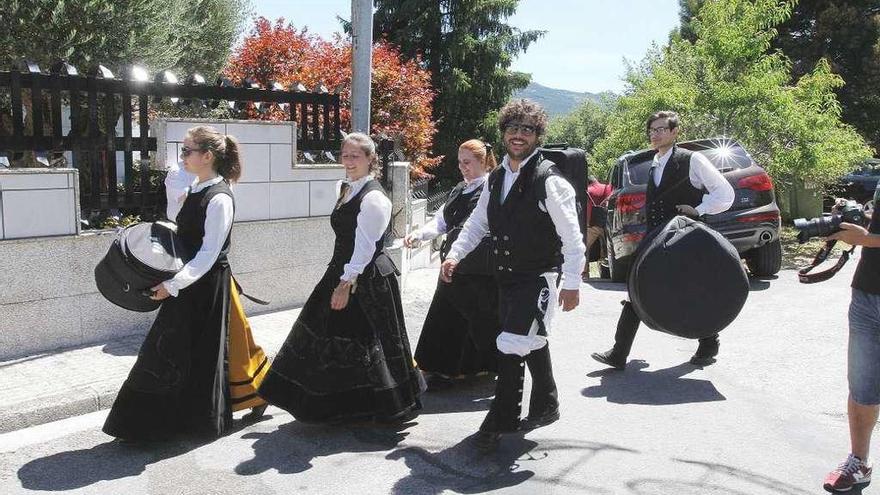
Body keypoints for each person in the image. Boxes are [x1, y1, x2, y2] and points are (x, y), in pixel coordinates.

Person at [103, 125, 270, 442]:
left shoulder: (220, 198)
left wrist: (173, 285)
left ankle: (175, 422)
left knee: (196, 350)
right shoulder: (196, 188)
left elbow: (208, 253)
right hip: (189, 280)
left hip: (204, 284)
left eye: (187, 151)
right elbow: (179, 225)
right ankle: (150, 423)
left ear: (207, 156)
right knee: (175, 346)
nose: (182, 156)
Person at [440, 99, 586, 451]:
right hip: (505, 278)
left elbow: (572, 238)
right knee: (528, 339)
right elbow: (478, 223)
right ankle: (546, 402)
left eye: (527, 129)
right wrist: (455, 255)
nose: (518, 135)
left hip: (538, 278)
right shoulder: (496, 178)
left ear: (537, 135)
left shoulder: (550, 182)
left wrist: (572, 284)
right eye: (513, 128)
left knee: (510, 345)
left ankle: (499, 420)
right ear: (503, 132)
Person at [257, 132, 422, 424]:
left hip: (364, 278)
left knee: (367, 340)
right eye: (345, 155)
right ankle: (326, 402)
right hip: (341, 270)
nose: (348, 161)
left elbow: (365, 247)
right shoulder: (345, 188)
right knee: (325, 334)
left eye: (355, 156)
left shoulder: (373, 199)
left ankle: (376, 405)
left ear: (371, 159)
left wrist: (345, 284)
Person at [591, 110, 735, 370]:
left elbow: (725, 193)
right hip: (657, 237)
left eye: (660, 129)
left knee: (694, 289)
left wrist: (699, 209)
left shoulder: (693, 160)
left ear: (674, 132)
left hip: (687, 237)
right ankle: (619, 352)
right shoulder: (654, 162)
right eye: (652, 130)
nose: (654, 134)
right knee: (638, 287)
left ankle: (709, 342)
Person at [405, 139, 500, 390]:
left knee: (474, 319)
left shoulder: (491, 189)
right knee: (446, 315)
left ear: (483, 162)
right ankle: (441, 366)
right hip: (453, 263)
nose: (462, 167)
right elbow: (442, 221)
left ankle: (476, 367)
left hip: (478, 268)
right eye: (459, 162)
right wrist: (420, 235)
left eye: (467, 162)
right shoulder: (459, 189)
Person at [821, 219, 880, 491]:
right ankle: (859, 463)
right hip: (867, 292)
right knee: (861, 384)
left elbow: (872, 237)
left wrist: (867, 238)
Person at [584, 174, 612, 280]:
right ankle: (607, 273)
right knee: (606, 249)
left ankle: (585, 272)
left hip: (594, 224)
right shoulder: (607, 188)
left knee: (584, 248)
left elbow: (587, 209)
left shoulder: (588, 191)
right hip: (608, 223)